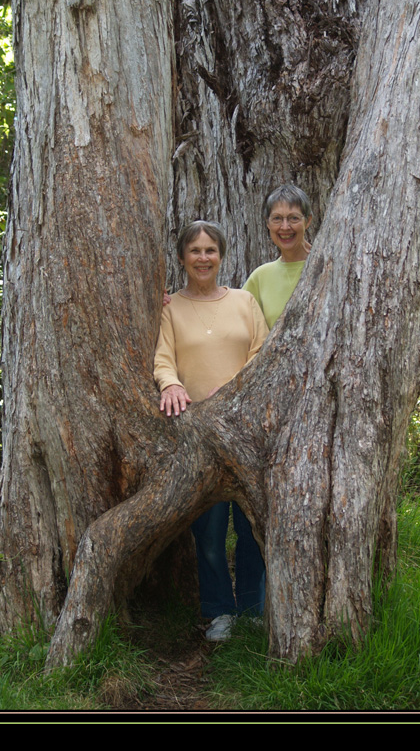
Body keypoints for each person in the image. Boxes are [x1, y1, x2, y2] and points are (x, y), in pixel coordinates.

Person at [154, 220, 269, 641]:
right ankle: (220, 611)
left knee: (252, 522)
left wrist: (238, 389)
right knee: (209, 529)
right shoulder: (169, 307)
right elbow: (163, 356)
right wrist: (171, 383)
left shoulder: (244, 302)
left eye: (211, 250)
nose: (203, 258)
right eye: (195, 251)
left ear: (222, 255)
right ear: (182, 257)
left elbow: (263, 352)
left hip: (247, 430)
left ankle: (253, 610)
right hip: (198, 434)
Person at [242, 184, 313, 328]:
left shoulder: (327, 267)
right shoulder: (260, 278)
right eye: (277, 219)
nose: (285, 227)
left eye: (293, 218)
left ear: (308, 221)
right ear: (267, 222)